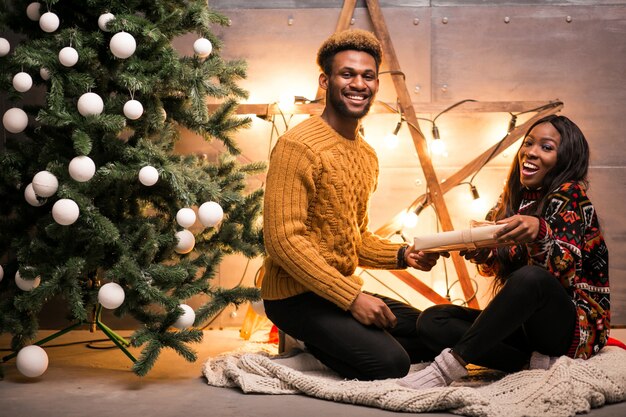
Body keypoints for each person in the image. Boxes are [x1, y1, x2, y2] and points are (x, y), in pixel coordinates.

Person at [261, 29, 442, 381]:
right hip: (295, 297)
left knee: (432, 332)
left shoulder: (366, 155)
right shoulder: (297, 146)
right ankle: (313, 346)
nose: (358, 83)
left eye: (368, 76)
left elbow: (355, 238)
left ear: (376, 84)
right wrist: (352, 299)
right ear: (325, 81)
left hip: (337, 290)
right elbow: (283, 241)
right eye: (347, 74)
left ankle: (341, 340)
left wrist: (404, 256)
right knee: (393, 363)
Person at [399, 114, 610, 389]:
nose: (531, 153)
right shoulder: (514, 198)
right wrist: (483, 254)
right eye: (529, 143)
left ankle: (446, 369)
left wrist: (540, 233)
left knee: (530, 277)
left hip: (572, 330)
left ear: (565, 158)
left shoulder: (571, 196)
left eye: (546, 147)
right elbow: (502, 267)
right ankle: (529, 365)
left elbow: (563, 276)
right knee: (432, 320)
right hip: (527, 331)